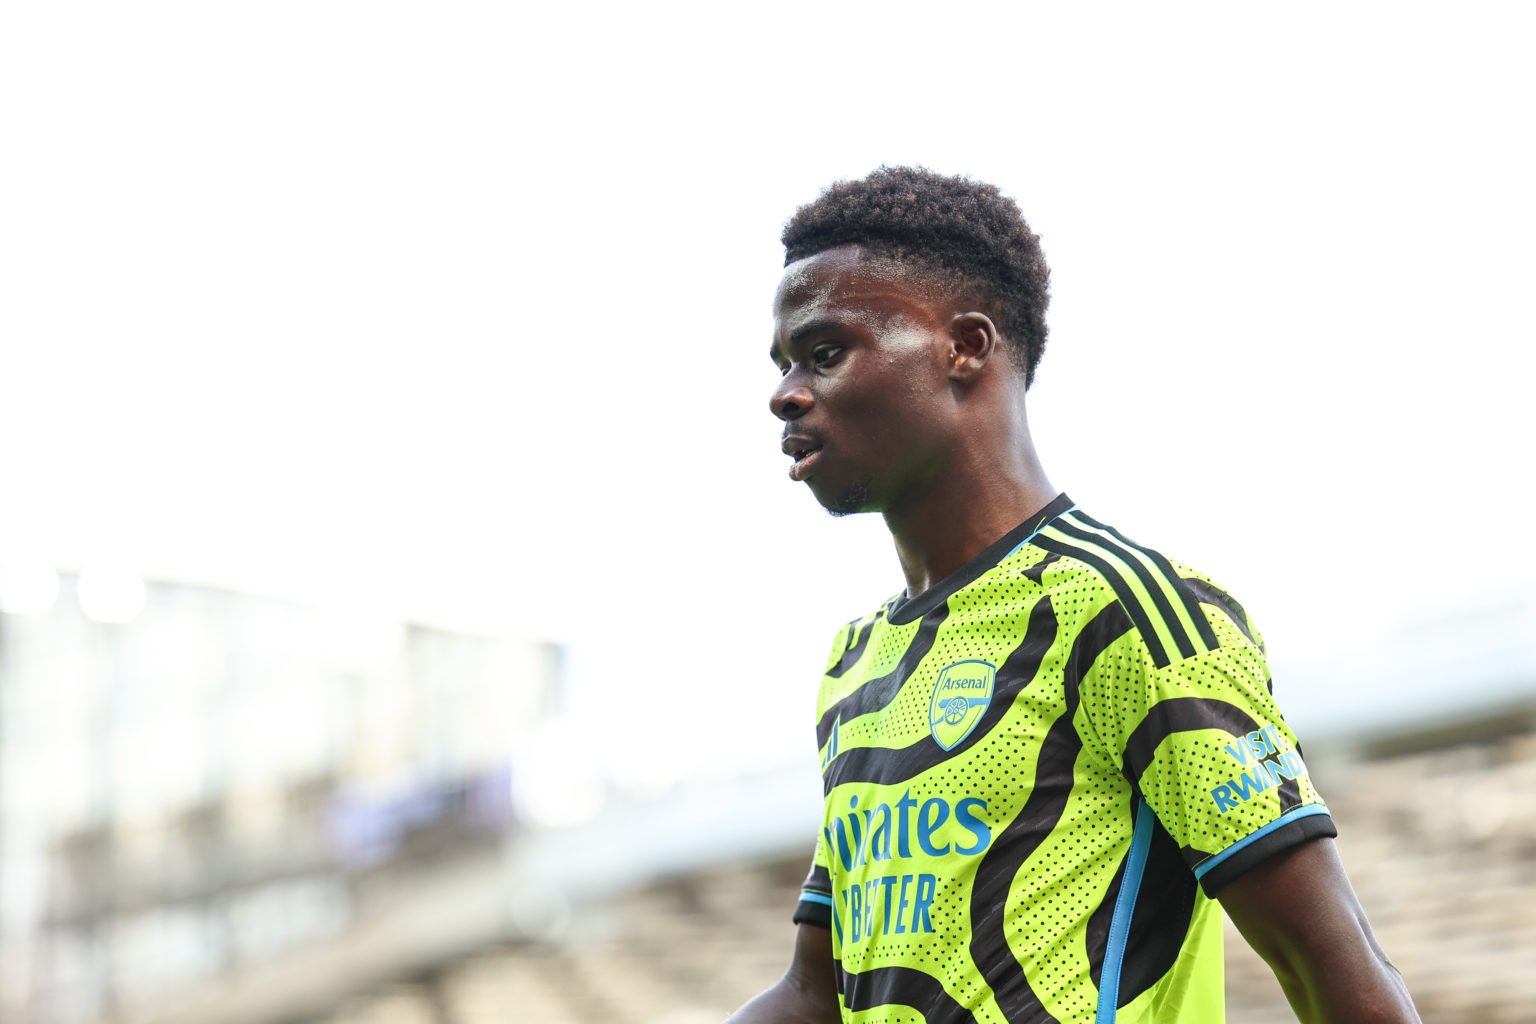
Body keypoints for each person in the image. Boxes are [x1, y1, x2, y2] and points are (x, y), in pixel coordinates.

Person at [727, 167, 1419, 1024]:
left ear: (965, 347)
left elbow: (1326, 963)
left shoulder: (1127, 609)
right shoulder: (858, 663)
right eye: (785, 363)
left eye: (825, 353)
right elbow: (814, 993)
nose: (785, 393)